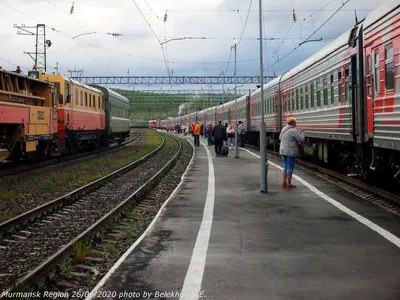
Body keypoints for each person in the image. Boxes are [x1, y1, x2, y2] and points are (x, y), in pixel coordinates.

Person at [279, 117, 305, 188]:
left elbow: (280, 138)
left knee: (285, 166)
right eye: (295, 122)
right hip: (290, 151)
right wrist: (302, 132)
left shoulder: (283, 129)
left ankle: (284, 183)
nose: (296, 124)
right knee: (290, 167)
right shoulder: (294, 130)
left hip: (283, 150)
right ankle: (289, 184)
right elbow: (301, 139)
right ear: (293, 123)